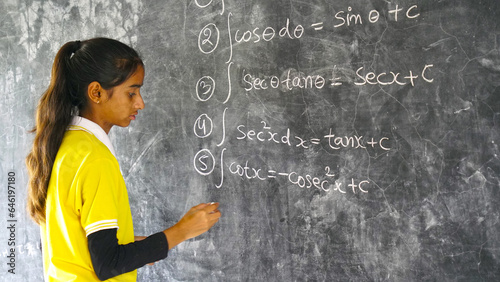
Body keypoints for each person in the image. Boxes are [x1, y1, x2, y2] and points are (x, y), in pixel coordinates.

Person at [25, 37, 221, 281]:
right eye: (132, 92)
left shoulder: (68, 146)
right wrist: (182, 231)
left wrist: (141, 248)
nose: (140, 102)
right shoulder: (95, 158)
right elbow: (107, 264)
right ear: (96, 92)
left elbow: (85, 247)